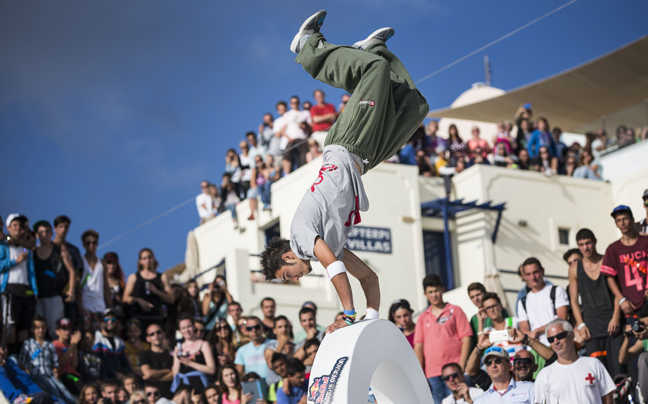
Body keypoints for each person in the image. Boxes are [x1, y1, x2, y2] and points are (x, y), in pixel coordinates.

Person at [261, 10, 429, 332]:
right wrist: (372, 318)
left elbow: (334, 266)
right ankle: (371, 51)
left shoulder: (301, 238)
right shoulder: (330, 244)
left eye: (288, 276)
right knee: (414, 109)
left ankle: (309, 46)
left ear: (286, 259)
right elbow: (368, 276)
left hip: (345, 144)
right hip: (364, 159)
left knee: (375, 72)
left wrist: (349, 315)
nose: (296, 279)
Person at [568, 228, 623, 377]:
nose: (585, 247)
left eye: (588, 243)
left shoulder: (608, 260)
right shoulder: (574, 268)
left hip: (614, 325)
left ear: (595, 242)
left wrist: (616, 317)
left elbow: (619, 292)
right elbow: (573, 300)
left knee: (619, 372)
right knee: (598, 374)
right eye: (581, 244)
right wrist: (580, 324)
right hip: (591, 329)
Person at [414, 274, 472, 404]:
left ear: (442, 289)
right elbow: (418, 346)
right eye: (430, 292)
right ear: (425, 294)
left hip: (454, 371)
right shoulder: (422, 317)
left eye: (436, 291)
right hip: (432, 373)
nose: (434, 295)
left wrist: (462, 364)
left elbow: (466, 338)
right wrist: (420, 372)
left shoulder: (455, 310)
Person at [534, 319, 615, 404]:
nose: (556, 342)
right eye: (551, 339)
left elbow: (607, 398)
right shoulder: (544, 375)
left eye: (560, 336)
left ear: (571, 335)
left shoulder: (594, 364)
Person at [1, 213, 38, 356]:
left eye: (20, 226)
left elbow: (32, 272)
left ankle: (22, 357)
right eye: (14, 225)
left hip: (26, 290)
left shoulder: (26, 249)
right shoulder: (3, 245)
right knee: (11, 325)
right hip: (10, 289)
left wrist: (35, 291)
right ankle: (10, 357)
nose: (18, 228)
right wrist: (15, 261)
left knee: (24, 328)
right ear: (8, 227)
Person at [32, 220, 75, 340]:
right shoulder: (33, 252)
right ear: (36, 235)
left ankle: (57, 356)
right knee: (37, 331)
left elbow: (72, 270)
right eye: (41, 232)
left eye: (47, 232)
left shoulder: (60, 250)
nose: (44, 235)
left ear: (51, 233)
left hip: (55, 296)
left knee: (54, 331)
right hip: (38, 297)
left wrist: (71, 290)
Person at [18, 316, 77, 404]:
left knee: (64, 391)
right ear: (32, 329)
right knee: (55, 393)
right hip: (36, 376)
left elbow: (55, 361)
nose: (40, 330)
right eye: (37, 328)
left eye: (43, 327)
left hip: (50, 375)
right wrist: (25, 370)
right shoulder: (28, 344)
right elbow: (21, 362)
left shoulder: (49, 344)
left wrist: (56, 369)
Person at [602, 205, 648, 317]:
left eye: (625, 219)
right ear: (616, 224)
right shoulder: (613, 249)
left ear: (632, 220)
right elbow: (610, 277)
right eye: (619, 220)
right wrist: (621, 300)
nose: (622, 223)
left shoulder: (645, 241)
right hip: (630, 306)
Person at [517, 257, 569, 346]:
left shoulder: (557, 290)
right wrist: (531, 338)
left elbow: (562, 319)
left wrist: (536, 331)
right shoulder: (522, 301)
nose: (533, 277)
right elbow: (524, 328)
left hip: (558, 344)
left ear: (543, 271)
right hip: (535, 348)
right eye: (528, 274)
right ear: (524, 276)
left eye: (535, 272)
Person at [123, 248, 175, 335]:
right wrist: (138, 300)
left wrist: (156, 291)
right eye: (144, 258)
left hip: (156, 318)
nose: (147, 260)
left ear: (153, 258)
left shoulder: (162, 277)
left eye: (149, 257)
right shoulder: (134, 277)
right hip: (138, 319)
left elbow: (171, 299)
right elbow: (125, 298)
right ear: (140, 261)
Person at [172, 315, 216, 393]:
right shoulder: (178, 347)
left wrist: (190, 363)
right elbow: (175, 374)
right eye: (183, 328)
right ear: (180, 330)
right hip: (184, 387)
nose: (187, 330)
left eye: (189, 326)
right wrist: (177, 357)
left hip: (200, 385)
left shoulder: (203, 344)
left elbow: (211, 369)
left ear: (194, 327)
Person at [52, 215, 84, 323]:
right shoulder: (48, 247)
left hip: (68, 293)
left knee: (69, 324)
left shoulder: (73, 250)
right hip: (51, 291)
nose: (63, 230)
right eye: (60, 226)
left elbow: (78, 274)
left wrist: (74, 292)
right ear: (55, 228)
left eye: (66, 227)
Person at [80, 229, 110, 331]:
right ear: (83, 245)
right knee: (88, 336)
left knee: (100, 337)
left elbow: (106, 285)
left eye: (94, 243)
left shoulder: (102, 262)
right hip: (85, 305)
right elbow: (77, 284)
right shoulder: (81, 260)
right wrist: (78, 306)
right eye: (88, 243)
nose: (91, 245)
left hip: (100, 307)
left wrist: (111, 307)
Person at [618, 303, 648, 400]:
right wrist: (627, 337)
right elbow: (623, 359)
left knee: (644, 357)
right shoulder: (644, 340)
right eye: (643, 325)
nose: (645, 328)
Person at [94, 309, 131, 380]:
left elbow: (124, 361)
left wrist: (128, 375)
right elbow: (99, 360)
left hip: (120, 377)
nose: (110, 322)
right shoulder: (96, 339)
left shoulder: (119, 341)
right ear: (101, 322)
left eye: (113, 319)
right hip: (104, 377)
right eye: (106, 319)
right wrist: (114, 373)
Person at [279, 95, 312, 175]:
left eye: (296, 102)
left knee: (302, 160)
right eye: (293, 103)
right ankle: (287, 174)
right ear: (290, 104)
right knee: (287, 156)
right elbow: (282, 130)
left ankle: (304, 174)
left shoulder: (305, 113)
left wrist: (305, 127)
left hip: (302, 139)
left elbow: (311, 126)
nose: (295, 104)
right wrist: (289, 138)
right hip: (292, 139)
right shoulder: (287, 115)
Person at [140, 323, 174, 398]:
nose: (156, 335)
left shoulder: (171, 355)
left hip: (171, 395)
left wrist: (153, 377)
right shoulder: (144, 354)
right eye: (152, 334)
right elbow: (148, 373)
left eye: (158, 332)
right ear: (148, 339)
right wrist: (167, 371)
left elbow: (174, 375)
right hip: (152, 397)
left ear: (163, 334)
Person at [53, 317, 84, 395]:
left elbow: (74, 365)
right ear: (57, 331)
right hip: (64, 375)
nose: (66, 332)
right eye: (64, 329)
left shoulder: (71, 345)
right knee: (80, 385)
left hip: (74, 374)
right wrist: (72, 345)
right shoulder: (55, 344)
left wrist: (75, 345)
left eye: (69, 329)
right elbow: (61, 363)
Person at [234, 316, 270, 380]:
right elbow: (238, 374)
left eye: (257, 327)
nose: (254, 330)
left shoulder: (274, 344)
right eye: (250, 328)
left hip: (273, 387)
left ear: (262, 327)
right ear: (247, 330)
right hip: (252, 387)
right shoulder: (242, 350)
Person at [264, 315, 296, 385]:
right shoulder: (270, 346)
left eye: (286, 326)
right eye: (280, 327)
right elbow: (271, 365)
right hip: (275, 387)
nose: (284, 329)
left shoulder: (295, 346)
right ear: (274, 331)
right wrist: (281, 344)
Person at [104, 252, 126, 319]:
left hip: (117, 316)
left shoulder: (120, 282)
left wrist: (121, 300)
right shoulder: (99, 280)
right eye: (109, 263)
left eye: (114, 263)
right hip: (103, 313)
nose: (112, 266)